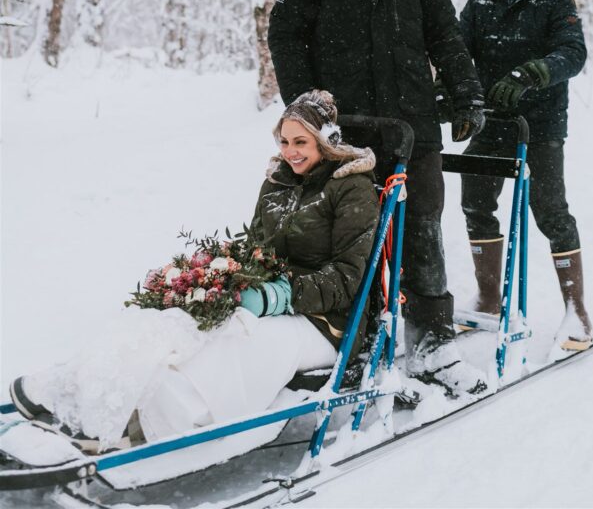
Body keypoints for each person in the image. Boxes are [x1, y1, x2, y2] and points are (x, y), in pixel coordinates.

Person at [8, 91, 379, 461]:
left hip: (324, 321)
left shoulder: (351, 187)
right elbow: (255, 246)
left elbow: (348, 278)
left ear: (325, 141)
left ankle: (148, 426)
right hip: (270, 297)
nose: (290, 152)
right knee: (181, 325)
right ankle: (82, 393)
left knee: (237, 339)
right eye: (284, 141)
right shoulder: (278, 183)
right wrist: (221, 275)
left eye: (301, 142)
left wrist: (282, 295)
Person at [268, 0, 486, 381]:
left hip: (413, 126)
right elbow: (286, 40)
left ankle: (433, 344)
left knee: (424, 229)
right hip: (345, 133)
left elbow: (446, 37)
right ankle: (357, 344)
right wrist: (307, 110)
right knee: (348, 236)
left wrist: (467, 95)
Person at [459, 0, 593, 350]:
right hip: (492, 122)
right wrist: (455, 95)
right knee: (475, 201)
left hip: (541, 126)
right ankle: (487, 297)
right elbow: (459, 52)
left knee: (550, 211)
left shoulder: (556, 0)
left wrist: (530, 73)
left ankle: (577, 310)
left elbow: (573, 54)